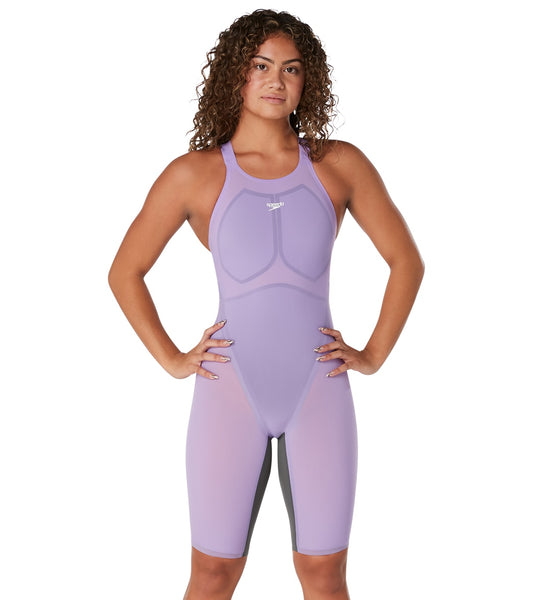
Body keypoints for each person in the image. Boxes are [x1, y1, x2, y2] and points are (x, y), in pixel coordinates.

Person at [108, 9, 424, 600]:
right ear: (236, 74)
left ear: (308, 82)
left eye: (292, 69)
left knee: (324, 575)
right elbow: (125, 272)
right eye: (261, 66)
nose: (277, 81)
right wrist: (174, 359)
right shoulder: (195, 174)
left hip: (319, 389)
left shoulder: (337, 165)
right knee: (212, 575)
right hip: (229, 389)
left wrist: (374, 354)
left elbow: (407, 260)